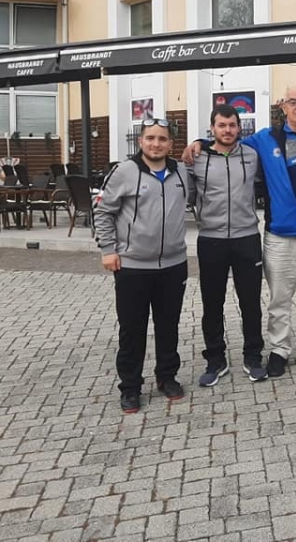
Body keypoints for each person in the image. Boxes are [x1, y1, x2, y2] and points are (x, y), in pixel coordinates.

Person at [183, 86, 296, 378]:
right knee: (279, 297)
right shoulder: (263, 139)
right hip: (279, 233)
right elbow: (226, 141)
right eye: (293, 102)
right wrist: (199, 143)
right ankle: (279, 350)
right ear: (283, 107)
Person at [94, 119, 189, 414]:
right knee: (132, 330)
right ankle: (130, 387)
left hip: (173, 265)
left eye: (162, 139)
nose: (156, 144)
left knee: (168, 326)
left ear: (170, 144)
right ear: (141, 142)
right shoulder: (125, 171)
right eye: (150, 138)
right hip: (133, 266)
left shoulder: (181, 172)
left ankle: (167, 377)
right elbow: (103, 212)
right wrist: (108, 250)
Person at [187, 104, 266, 387]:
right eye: (221, 125)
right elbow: (187, 195)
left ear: (239, 128)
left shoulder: (252, 155)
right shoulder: (197, 158)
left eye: (232, 125)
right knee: (212, 303)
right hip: (211, 239)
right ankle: (215, 360)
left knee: (251, 302)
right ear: (212, 128)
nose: (227, 130)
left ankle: (253, 357)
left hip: (247, 238)